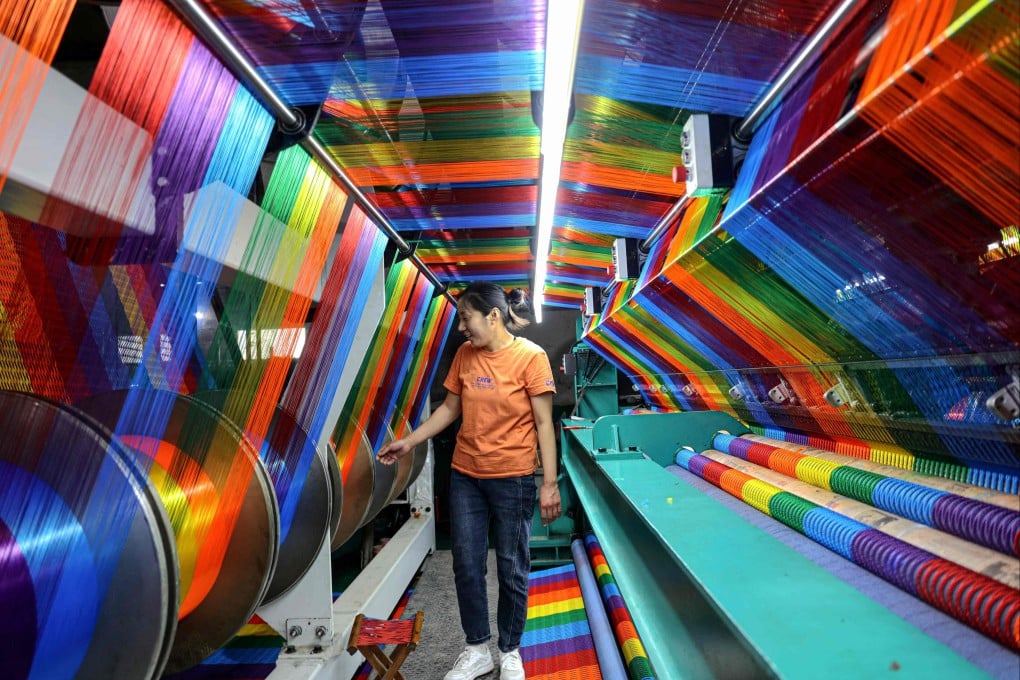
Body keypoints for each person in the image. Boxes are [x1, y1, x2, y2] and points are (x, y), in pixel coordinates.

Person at [377, 282, 561, 680]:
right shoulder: (464, 355)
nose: (462, 327)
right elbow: (449, 409)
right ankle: (477, 648)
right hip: (466, 477)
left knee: (512, 566)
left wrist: (549, 482)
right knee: (466, 564)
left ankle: (510, 650)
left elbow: (545, 423)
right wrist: (410, 441)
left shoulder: (531, 357)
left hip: (513, 478)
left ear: (492, 316)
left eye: (466, 318)